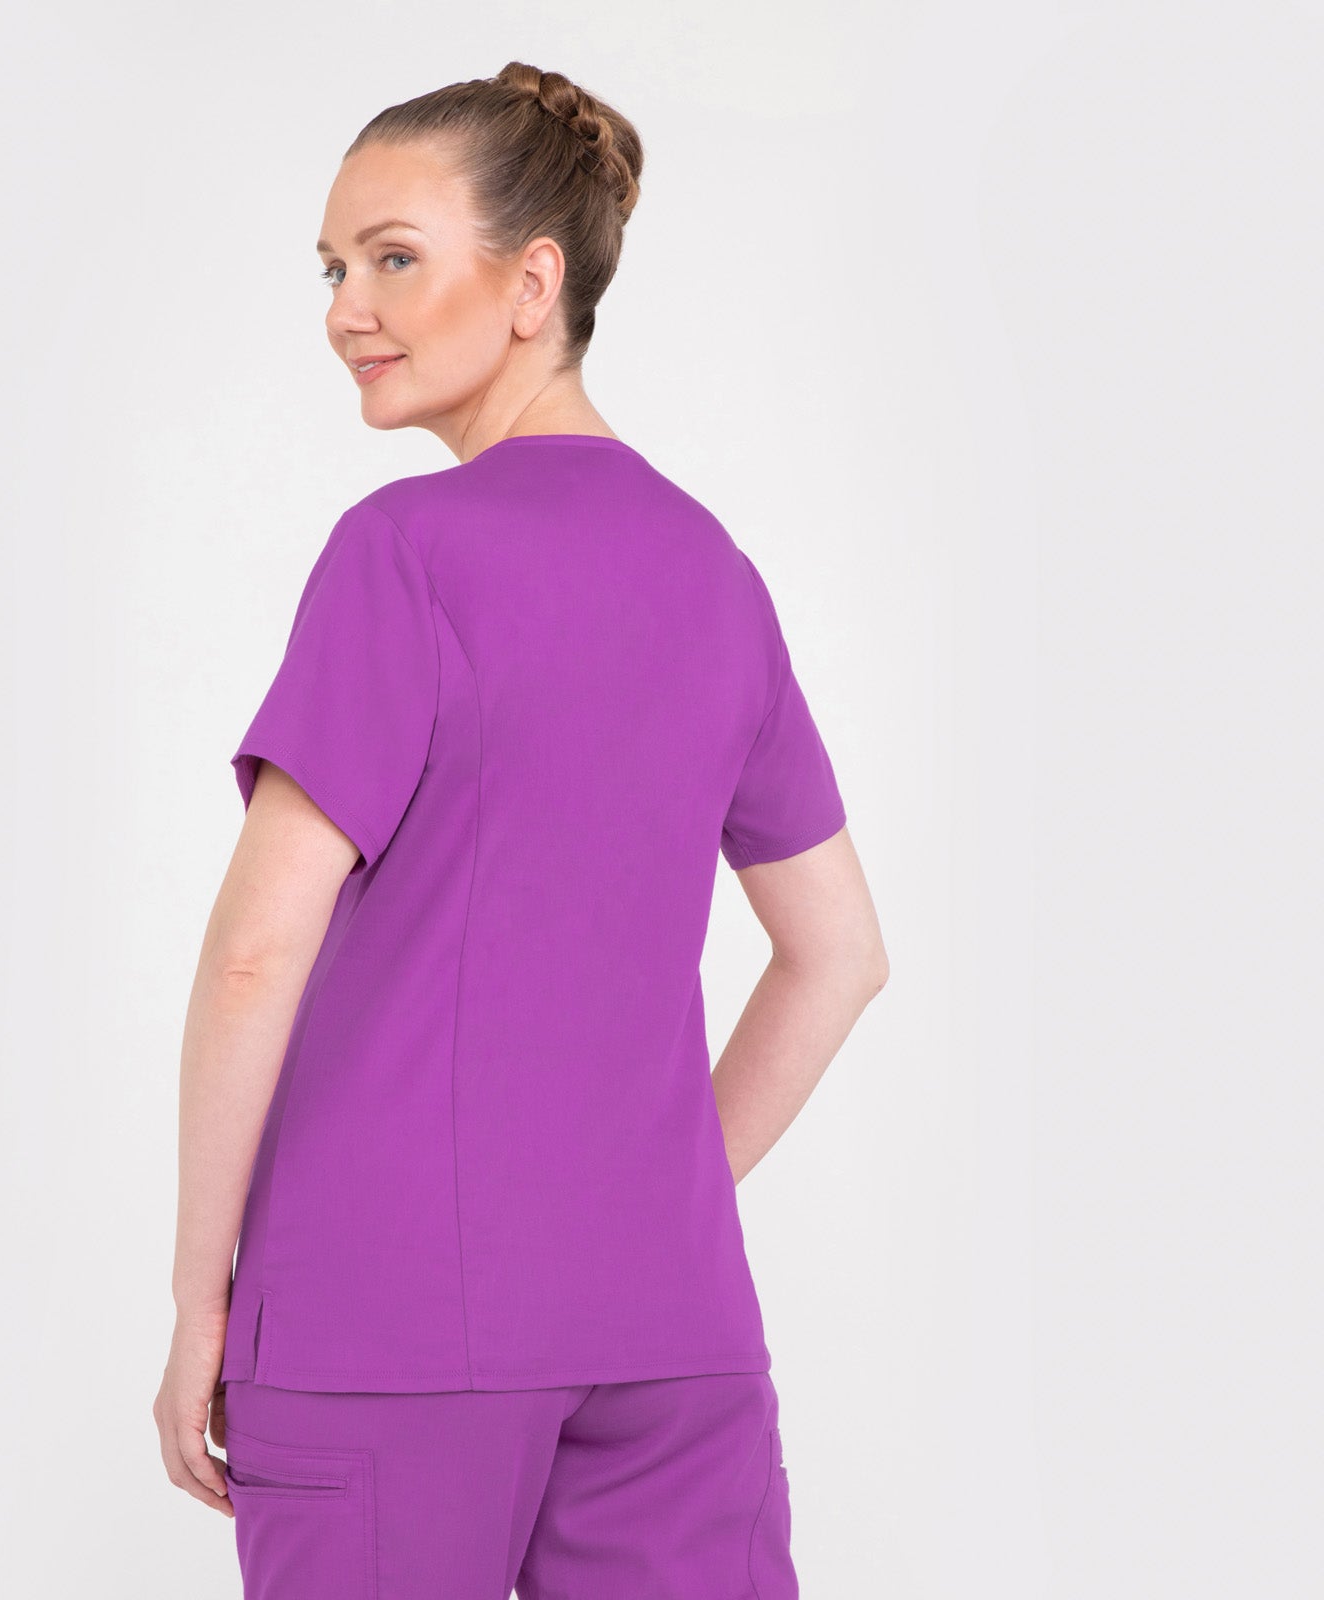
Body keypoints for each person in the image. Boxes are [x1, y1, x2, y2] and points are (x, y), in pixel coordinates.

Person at [153, 60, 889, 1600]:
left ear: (532, 283)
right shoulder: (715, 575)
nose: (348, 309)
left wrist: (198, 1300)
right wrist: (656, 1196)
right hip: (672, 1328)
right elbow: (838, 955)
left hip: (381, 1319)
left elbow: (253, 956)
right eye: (333, 269)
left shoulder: (405, 555)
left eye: (394, 258)